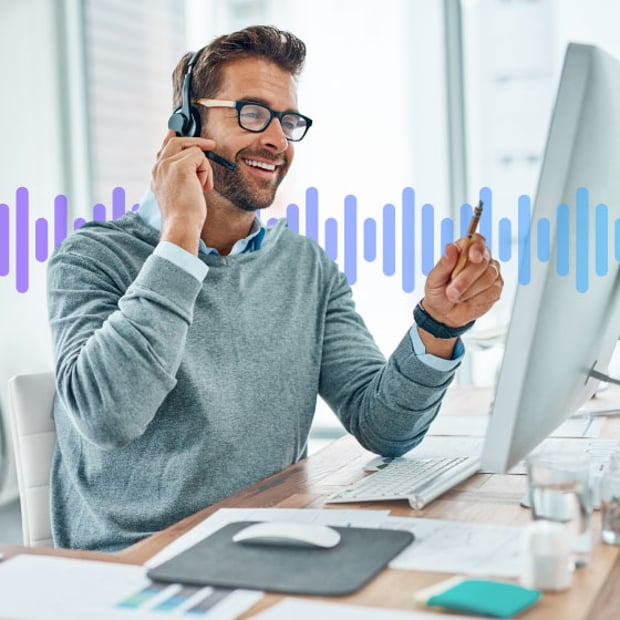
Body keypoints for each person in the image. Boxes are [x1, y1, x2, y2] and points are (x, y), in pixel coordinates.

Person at [47, 25, 503, 552]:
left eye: (287, 122)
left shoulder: (305, 266)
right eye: (252, 113)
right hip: (138, 562)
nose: (276, 140)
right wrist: (179, 238)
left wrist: (438, 324)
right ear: (186, 125)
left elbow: (384, 428)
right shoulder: (91, 257)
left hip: (275, 541)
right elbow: (107, 417)